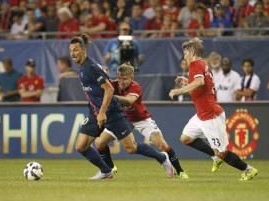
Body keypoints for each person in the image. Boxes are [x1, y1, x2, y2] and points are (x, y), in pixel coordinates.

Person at [69, 34, 174, 180]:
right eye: (71, 51)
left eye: (75, 50)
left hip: (110, 111)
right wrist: (98, 112)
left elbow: (109, 90)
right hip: (95, 112)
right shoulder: (86, 67)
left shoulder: (90, 67)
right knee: (81, 146)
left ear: (83, 50)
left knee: (131, 148)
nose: (72, 54)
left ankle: (162, 158)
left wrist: (102, 112)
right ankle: (106, 171)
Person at [169, 38, 258, 181]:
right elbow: (205, 83)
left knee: (222, 152)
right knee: (185, 138)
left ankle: (248, 170)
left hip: (210, 115)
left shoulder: (195, 65)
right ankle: (213, 156)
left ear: (192, 52)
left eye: (185, 52)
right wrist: (187, 81)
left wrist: (179, 91)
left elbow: (200, 82)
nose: (184, 55)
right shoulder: (202, 64)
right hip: (201, 114)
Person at [95, 62, 189, 178]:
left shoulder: (135, 86)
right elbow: (98, 86)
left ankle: (180, 171)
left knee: (162, 145)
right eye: (119, 78)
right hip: (122, 120)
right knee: (99, 143)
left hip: (141, 119)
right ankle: (110, 168)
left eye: (124, 79)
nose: (121, 81)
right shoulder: (113, 85)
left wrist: (111, 95)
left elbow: (128, 101)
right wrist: (102, 74)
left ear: (131, 78)